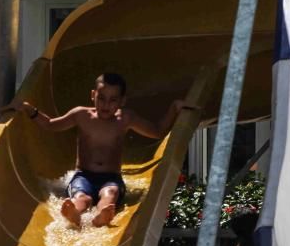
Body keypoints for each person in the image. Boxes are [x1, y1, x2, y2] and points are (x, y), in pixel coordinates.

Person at [11, 72, 195, 227]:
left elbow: (157, 132)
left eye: (113, 100)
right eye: (101, 98)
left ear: (122, 101)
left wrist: (174, 109)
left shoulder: (125, 119)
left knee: (110, 193)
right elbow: (51, 125)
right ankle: (75, 212)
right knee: (82, 196)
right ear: (93, 95)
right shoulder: (81, 115)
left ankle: (102, 215)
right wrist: (28, 109)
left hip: (111, 178)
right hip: (83, 176)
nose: (106, 105)